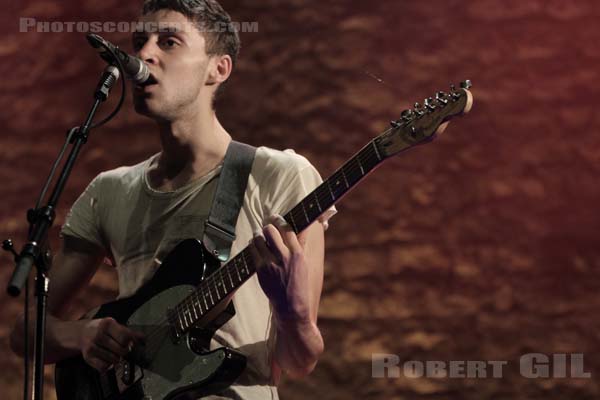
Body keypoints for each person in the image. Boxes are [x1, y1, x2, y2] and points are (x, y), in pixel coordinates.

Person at [10, 1, 335, 398]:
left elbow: (300, 362)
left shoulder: (280, 175)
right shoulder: (109, 190)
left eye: (169, 41)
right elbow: (27, 332)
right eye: (139, 41)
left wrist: (293, 311)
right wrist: (80, 335)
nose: (144, 54)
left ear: (218, 68)